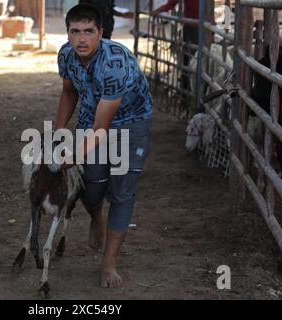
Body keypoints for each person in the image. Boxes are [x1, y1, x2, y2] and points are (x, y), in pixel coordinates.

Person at [55, 4, 153, 288]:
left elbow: (103, 129)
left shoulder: (114, 63)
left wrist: (72, 155)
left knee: (122, 190)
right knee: (92, 181)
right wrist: (59, 133)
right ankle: (96, 215)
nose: (81, 39)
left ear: (101, 33)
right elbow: (69, 90)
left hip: (131, 123)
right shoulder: (66, 55)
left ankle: (109, 263)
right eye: (75, 32)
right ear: (68, 34)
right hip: (91, 115)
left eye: (89, 32)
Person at [151, 0, 199, 105]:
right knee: (190, 63)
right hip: (193, 28)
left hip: (196, 28)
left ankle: (190, 96)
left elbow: (171, 4)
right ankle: (188, 96)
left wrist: (159, 10)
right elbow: (171, 3)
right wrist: (160, 10)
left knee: (193, 63)